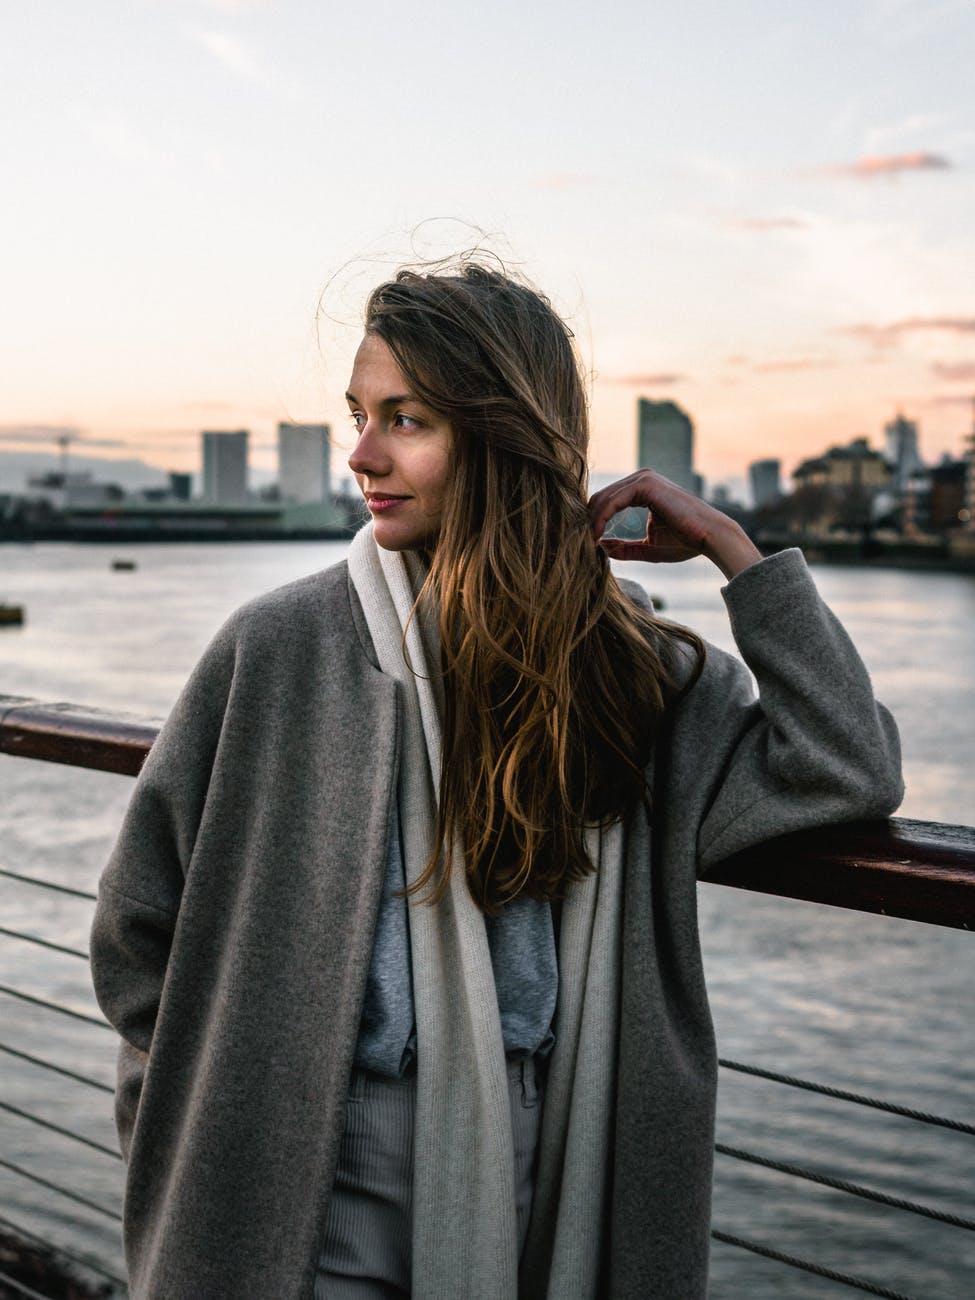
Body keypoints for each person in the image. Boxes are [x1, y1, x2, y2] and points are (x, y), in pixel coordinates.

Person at [90, 262, 903, 1300]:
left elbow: (845, 768)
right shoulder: (281, 649)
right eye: (358, 416)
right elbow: (136, 931)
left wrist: (741, 558)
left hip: (555, 1150)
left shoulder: (630, 669)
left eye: (407, 419)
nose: (362, 454)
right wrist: (194, 1124)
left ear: (503, 435)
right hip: (303, 1161)